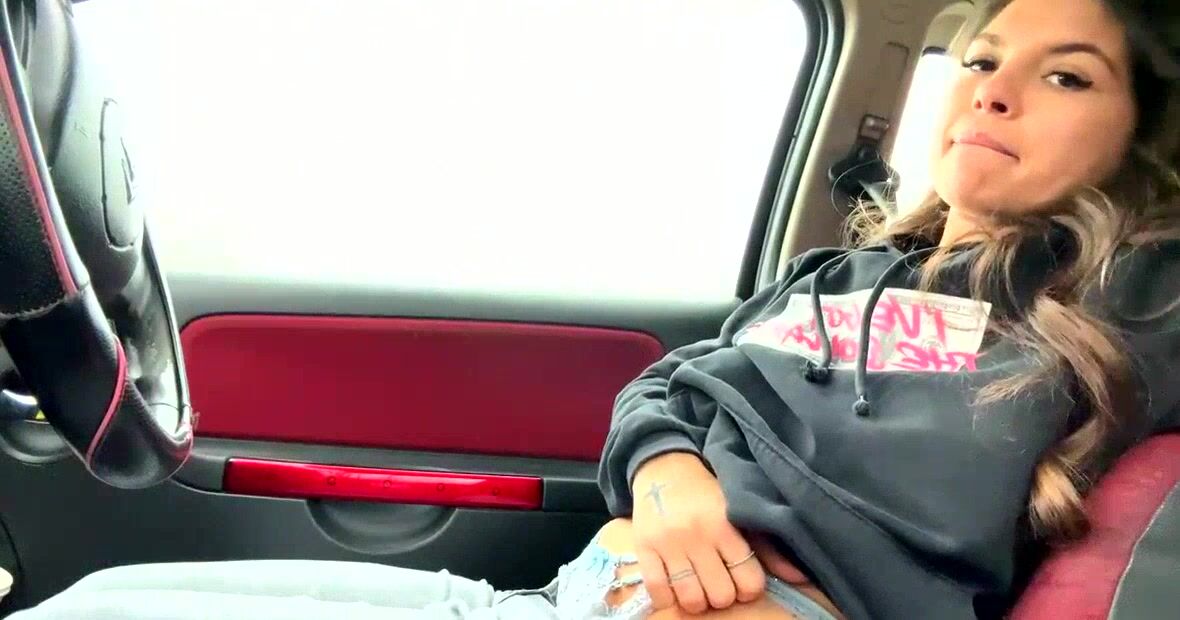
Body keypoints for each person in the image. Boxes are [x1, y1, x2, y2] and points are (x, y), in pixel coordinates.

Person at [11, 0, 1180, 618]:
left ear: (1140, 136)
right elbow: (667, 384)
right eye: (979, 59)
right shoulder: (831, 276)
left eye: (1064, 74)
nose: (993, 92)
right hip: (570, 591)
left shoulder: (1127, 299)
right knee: (97, 601)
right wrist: (666, 474)